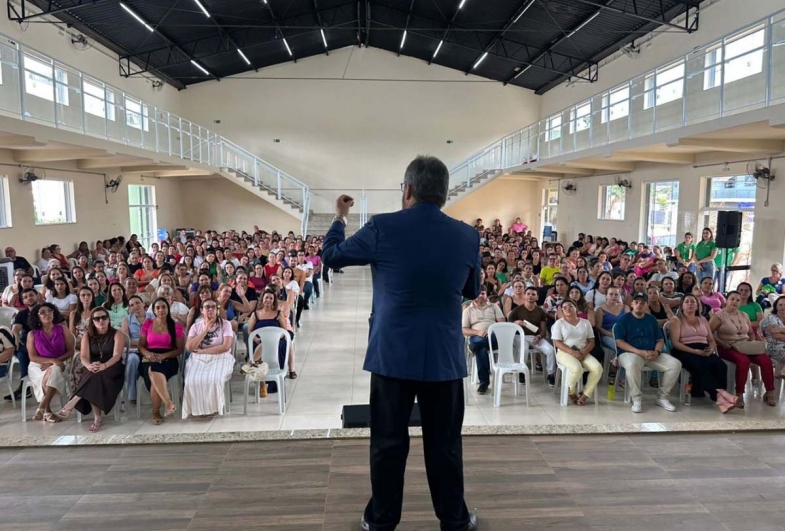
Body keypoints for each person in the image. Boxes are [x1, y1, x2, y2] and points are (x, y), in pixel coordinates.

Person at [321, 156, 480, 531]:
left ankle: (382, 519)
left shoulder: (382, 227)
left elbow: (330, 256)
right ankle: (454, 520)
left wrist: (340, 217)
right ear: (444, 194)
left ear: (407, 190)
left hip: (392, 356)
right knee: (444, 444)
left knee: (388, 442)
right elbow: (471, 290)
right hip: (443, 357)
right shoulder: (467, 235)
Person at [54, 307, 126, 431]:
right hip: (93, 366)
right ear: (92, 321)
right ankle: (97, 417)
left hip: (112, 367)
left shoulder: (117, 334)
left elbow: (117, 356)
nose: (101, 321)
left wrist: (104, 366)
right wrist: (89, 366)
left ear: (108, 319)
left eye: (104, 317)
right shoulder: (87, 336)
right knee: (93, 375)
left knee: (95, 375)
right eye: (97, 318)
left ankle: (75, 401)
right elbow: (84, 356)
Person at [614, 292, 682, 413]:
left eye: (642, 302)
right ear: (631, 304)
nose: (639, 305)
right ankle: (637, 399)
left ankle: (662, 397)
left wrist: (657, 351)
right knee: (632, 364)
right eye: (636, 302)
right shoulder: (624, 319)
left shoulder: (651, 320)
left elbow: (660, 340)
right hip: (629, 353)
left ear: (646, 305)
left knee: (675, 364)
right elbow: (619, 342)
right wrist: (639, 352)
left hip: (650, 353)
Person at [668, 295, 737, 413]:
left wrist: (711, 348)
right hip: (684, 349)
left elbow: (710, 339)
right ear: (682, 305)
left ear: (697, 306)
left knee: (720, 365)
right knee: (699, 365)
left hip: (703, 348)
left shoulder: (703, 319)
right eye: (687, 302)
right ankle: (720, 394)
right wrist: (693, 351)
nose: (690, 304)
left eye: (693, 302)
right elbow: (675, 343)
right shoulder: (676, 320)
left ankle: (720, 397)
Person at [710, 291, 776, 408]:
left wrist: (751, 343)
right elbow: (709, 333)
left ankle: (769, 392)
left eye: (737, 300)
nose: (734, 302)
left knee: (765, 360)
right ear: (726, 300)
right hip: (727, 346)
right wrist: (722, 343)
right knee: (743, 361)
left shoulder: (744, 315)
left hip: (745, 346)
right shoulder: (719, 315)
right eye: (732, 299)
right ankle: (739, 393)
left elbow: (751, 332)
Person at [182, 299, 235, 418]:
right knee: (191, 380)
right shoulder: (196, 326)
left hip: (221, 357)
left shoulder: (226, 324)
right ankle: (197, 408)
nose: (210, 309)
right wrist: (205, 329)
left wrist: (204, 351)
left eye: (213, 307)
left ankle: (214, 407)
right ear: (202, 310)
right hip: (198, 358)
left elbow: (226, 347)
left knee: (214, 379)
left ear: (217, 310)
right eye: (207, 307)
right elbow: (190, 347)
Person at [138, 298, 185, 425]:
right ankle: (167, 403)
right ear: (153, 310)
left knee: (154, 372)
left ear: (168, 308)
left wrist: (163, 356)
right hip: (149, 356)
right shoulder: (147, 323)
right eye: (157, 307)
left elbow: (180, 349)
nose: (161, 310)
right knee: (152, 369)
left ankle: (156, 411)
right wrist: (148, 354)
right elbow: (140, 346)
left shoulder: (176, 326)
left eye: (163, 307)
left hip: (169, 357)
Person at [27, 302, 75, 422]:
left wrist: (55, 362)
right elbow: (32, 356)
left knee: (53, 370)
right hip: (38, 365)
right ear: (37, 317)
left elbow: (71, 351)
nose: (47, 314)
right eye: (42, 312)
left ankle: (42, 408)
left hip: (61, 362)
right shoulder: (32, 334)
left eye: (49, 311)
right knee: (51, 372)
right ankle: (47, 411)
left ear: (54, 313)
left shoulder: (63, 329)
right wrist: (51, 360)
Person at [551, 299, 600, 406]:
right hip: (565, 352)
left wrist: (584, 352)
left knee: (597, 368)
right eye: (564, 308)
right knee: (576, 368)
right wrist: (573, 353)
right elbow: (557, 343)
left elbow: (592, 341)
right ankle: (570, 391)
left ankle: (586, 393)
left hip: (583, 352)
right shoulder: (559, 323)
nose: (568, 309)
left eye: (570, 306)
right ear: (562, 311)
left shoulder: (585, 322)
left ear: (576, 308)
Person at [508, 287, 556, 385]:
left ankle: (551, 374)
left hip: (535, 337)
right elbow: (509, 327)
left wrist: (539, 337)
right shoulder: (517, 310)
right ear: (525, 296)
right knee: (524, 350)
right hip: (519, 337)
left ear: (537, 297)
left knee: (550, 350)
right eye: (528, 294)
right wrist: (515, 323)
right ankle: (521, 372)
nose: (530, 296)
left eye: (533, 294)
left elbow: (543, 329)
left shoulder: (540, 311)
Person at [462, 285, 505, 394]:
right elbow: (463, 330)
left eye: (482, 293)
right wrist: (478, 332)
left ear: (486, 294)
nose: (480, 296)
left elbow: (501, 322)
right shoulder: (468, 310)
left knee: (478, 345)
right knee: (481, 348)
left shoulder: (494, 306)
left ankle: (474, 347)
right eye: (477, 293)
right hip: (477, 336)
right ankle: (484, 383)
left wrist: (492, 330)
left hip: (494, 336)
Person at [5, 288, 39, 401]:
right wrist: (16, 335)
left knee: (22, 352)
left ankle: (24, 386)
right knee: (19, 348)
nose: (29, 298)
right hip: (26, 341)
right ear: (23, 301)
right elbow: (15, 328)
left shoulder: (46, 309)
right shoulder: (22, 314)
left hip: (43, 341)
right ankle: (25, 385)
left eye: (31, 295)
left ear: (37, 296)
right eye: (25, 297)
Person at [120, 295, 147, 404]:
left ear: (143, 303)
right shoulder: (126, 320)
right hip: (133, 350)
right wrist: (143, 344)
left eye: (137, 303)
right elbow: (126, 340)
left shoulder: (152, 317)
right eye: (132, 305)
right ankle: (132, 395)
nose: (135, 306)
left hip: (150, 349)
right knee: (132, 360)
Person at [761, 296, 785, 379]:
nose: (783, 307)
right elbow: (776, 335)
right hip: (775, 348)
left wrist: (781, 329)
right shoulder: (771, 318)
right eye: (780, 305)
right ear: (776, 306)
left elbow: (778, 332)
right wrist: (780, 331)